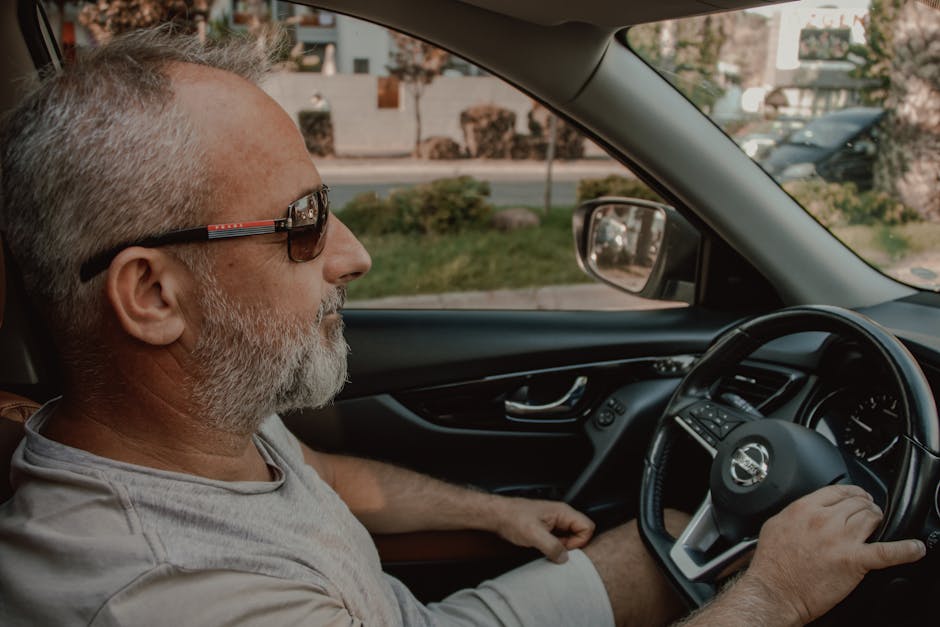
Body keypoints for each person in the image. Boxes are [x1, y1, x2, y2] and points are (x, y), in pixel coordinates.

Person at [0, 29, 925, 627]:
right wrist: (774, 597)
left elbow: (323, 477)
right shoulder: (167, 594)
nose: (354, 255)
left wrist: (493, 511)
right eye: (303, 223)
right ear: (153, 295)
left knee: (675, 538)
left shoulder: (198, 418)